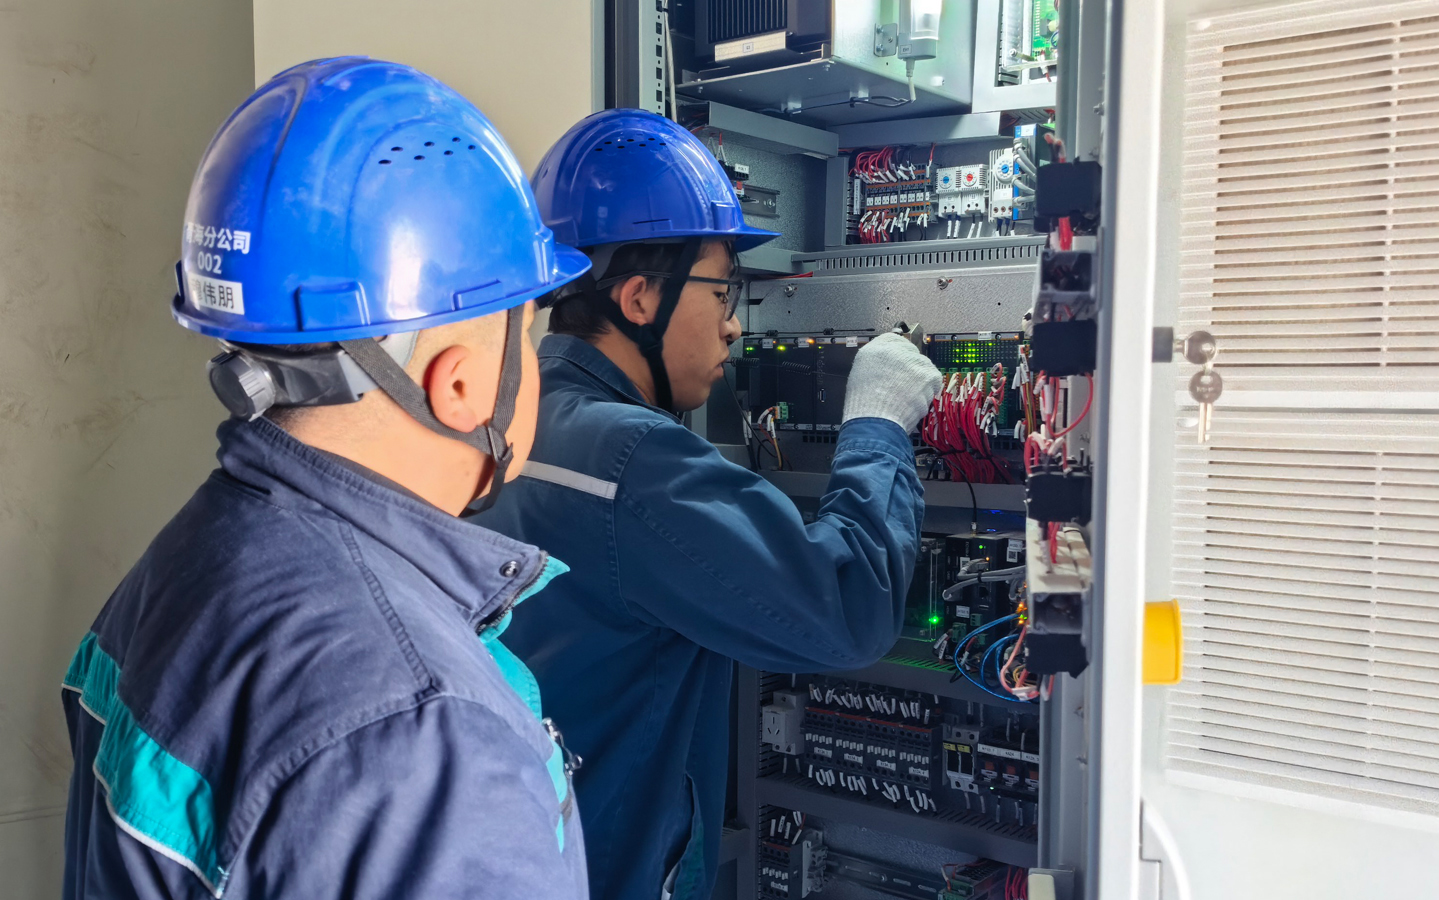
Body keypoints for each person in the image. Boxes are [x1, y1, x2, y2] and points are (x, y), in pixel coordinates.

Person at [59, 58, 593, 899]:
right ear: (458, 385)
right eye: (524, 331)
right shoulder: (432, 737)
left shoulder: (183, 562)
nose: (533, 362)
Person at [473, 108, 944, 900]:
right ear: (638, 298)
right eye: (722, 290)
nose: (732, 325)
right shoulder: (633, 461)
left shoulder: (501, 419)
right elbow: (848, 607)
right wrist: (877, 425)